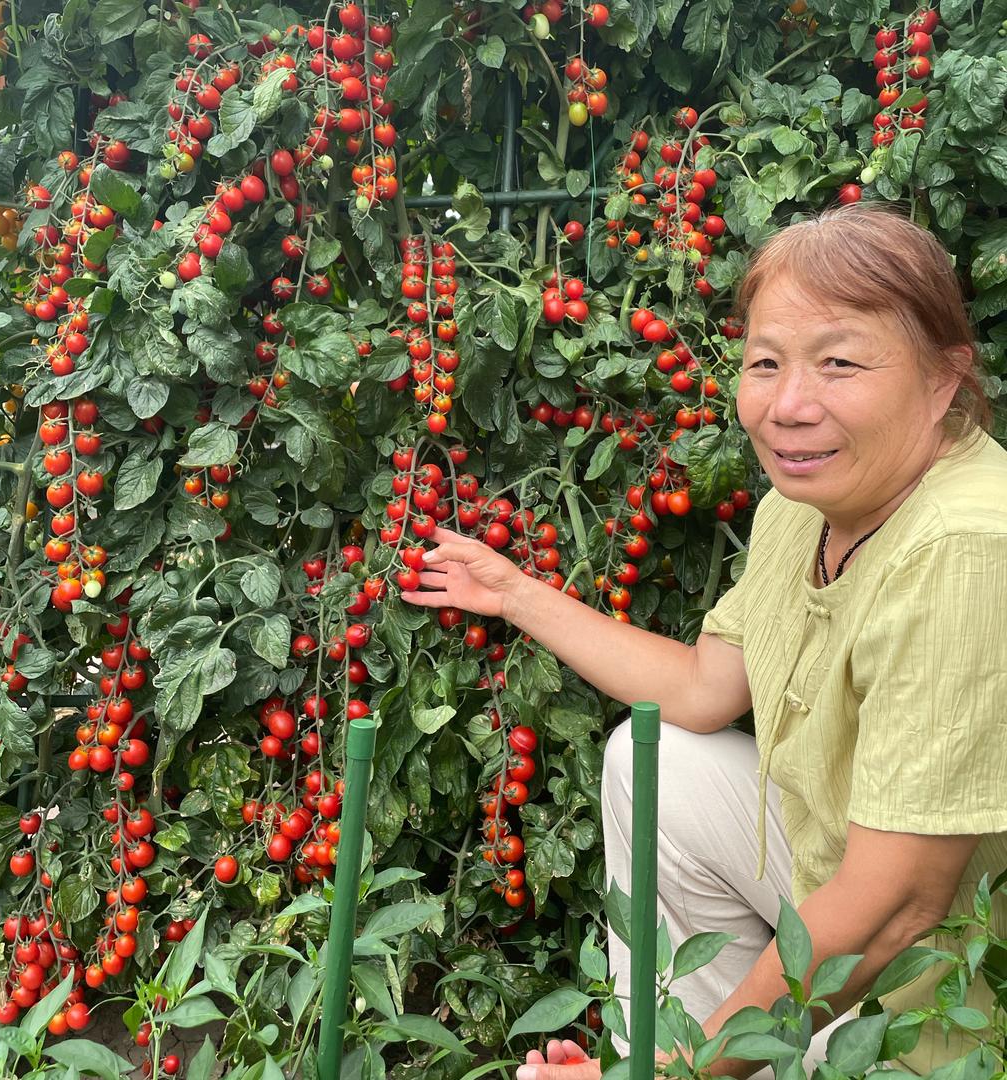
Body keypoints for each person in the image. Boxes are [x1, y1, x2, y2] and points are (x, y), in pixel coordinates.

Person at [402, 203, 1007, 1079]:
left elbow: (900, 909)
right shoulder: (805, 511)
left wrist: (665, 1077)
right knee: (658, 766)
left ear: (945, 379)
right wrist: (514, 592)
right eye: (766, 363)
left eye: (839, 362)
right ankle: (699, 1045)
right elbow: (701, 690)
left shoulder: (965, 551)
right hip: (847, 872)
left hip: (952, 973)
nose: (788, 406)